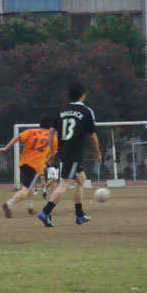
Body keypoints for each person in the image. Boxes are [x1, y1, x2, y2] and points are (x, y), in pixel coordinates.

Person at [38, 81, 102, 227]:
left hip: (64, 151)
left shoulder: (61, 111)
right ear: (83, 95)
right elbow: (92, 135)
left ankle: (79, 215)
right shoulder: (86, 111)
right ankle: (45, 212)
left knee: (81, 180)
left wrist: (52, 152)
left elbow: (51, 132)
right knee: (65, 184)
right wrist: (98, 153)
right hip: (74, 153)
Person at [0, 115, 57, 218]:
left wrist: (6, 148)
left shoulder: (31, 131)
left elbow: (18, 137)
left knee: (30, 185)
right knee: (26, 189)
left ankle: (30, 206)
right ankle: (8, 204)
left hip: (24, 162)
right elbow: (53, 153)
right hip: (35, 165)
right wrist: (47, 160)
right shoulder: (53, 138)